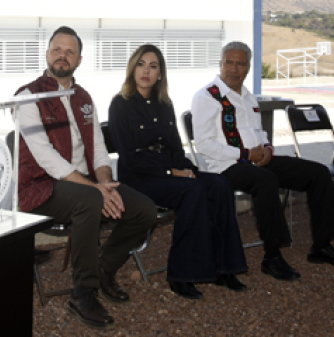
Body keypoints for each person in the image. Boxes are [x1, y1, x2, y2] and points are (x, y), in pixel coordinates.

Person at [15, 26, 156, 329]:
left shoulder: (84, 98)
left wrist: (104, 183)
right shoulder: (28, 97)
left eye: (70, 51)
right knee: (90, 200)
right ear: (47, 54)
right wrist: (96, 189)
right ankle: (82, 293)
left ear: (79, 60)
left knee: (144, 210)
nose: (62, 56)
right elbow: (46, 158)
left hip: (88, 186)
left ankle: (103, 269)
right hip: (40, 188)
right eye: (57, 49)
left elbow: (99, 150)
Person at [192, 41, 334, 282]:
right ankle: (272, 256)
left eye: (240, 64)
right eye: (229, 62)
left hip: (257, 161)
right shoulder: (207, 96)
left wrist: (267, 150)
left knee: (318, 173)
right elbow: (204, 144)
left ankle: (322, 246)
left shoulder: (248, 97)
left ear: (248, 68)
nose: (234, 68)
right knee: (266, 180)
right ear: (220, 64)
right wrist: (245, 155)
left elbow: (259, 133)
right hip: (226, 166)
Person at [108, 44, 247, 300]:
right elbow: (130, 157)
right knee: (191, 191)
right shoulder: (120, 104)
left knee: (219, 184)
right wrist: (171, 172)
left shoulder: (164, 104)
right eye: (141, 65)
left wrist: (188, 169)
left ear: (160, 73)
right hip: (139, 178)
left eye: (153, 66)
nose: (146, 71)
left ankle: (224, 268)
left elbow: (174, 146)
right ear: (132, 69)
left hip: (169, 172)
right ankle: (182, 274)